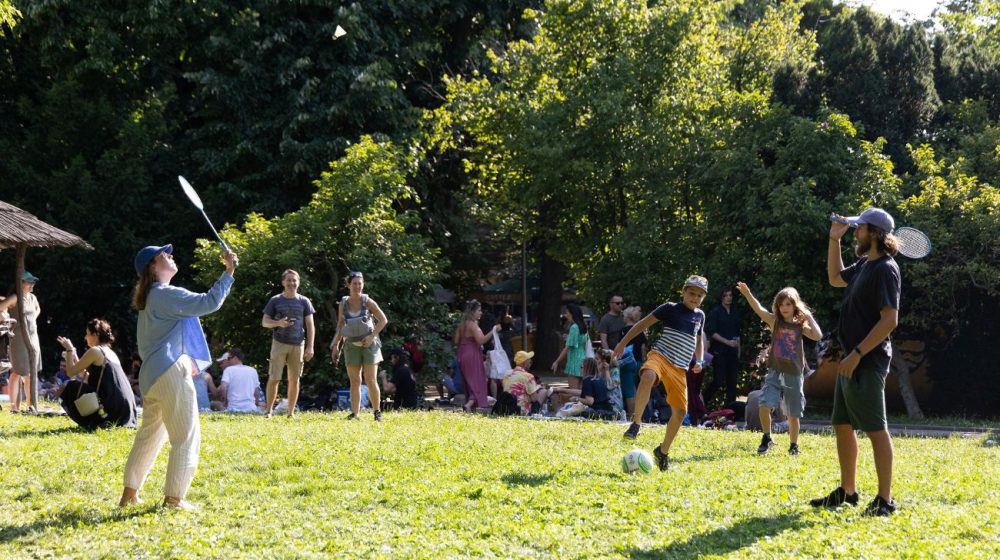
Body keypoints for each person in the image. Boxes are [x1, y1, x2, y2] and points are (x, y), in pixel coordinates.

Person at [120, 243, 237, 510]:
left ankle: (129, 495)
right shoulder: (164, 294)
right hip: (170, 372)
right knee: (186, 435)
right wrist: (228, 272)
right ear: (153, 266)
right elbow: (209, 302)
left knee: (149, 436)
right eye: (165, 255)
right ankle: (174, 499)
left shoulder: (151, 297)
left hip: (152, 376)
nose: (172, 256)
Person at [811, 208, 901, 517]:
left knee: (876, 430)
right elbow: (836, 278)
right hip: (850, 358)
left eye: (859, 228)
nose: (856, 232)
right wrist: (834, 240)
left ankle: (885, 500)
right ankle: (848, 492)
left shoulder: (886, 269)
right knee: (842, 424)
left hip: (867, 360)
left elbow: (889, 320)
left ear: (874, 233)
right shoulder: (865, 264)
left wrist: (858, 354)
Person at [615, 275, 708, 472]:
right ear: (683, 292)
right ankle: (636, 423)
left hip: (680, 368)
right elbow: (641, 325)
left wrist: (699, 360)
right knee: (647, 376)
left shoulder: (700, 316)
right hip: (661, 356)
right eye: (691, 293)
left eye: (699, 296)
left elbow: (699, 341)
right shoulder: (670, 308)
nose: (695, 298)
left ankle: (662, 451)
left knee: (681, 413)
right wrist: (622, 344)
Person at [736, 282, 822, 455]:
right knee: (764, 405)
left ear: (795, 306)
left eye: (788, 304)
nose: (784, 308)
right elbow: (758, 309)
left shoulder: (800, 326)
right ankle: (767, 437)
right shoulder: (775, 321)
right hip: (775, 371)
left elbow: (818, 335)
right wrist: (747, 293)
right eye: (781, 304)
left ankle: (793, 445)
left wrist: (807, 315)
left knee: (793, 414)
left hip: (794, 375)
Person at [57, 319, 138, 430]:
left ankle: (89, 421)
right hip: (124, 409)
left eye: (87, 334)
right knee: (75, 386)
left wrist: (70, 350)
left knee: (68, 386)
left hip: (111, 408)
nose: (85, 337)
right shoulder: (109, 352)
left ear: (95, 335)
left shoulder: (95, 351)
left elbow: (70, 372)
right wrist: (74, 356)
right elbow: (86, 377)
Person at [331, 271, 388, 421]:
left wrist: (371, 336)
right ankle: (355, 413)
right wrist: (336, 345)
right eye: (354, 283)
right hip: (351, 344)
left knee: (370, 379)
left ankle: (377, 412)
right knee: (355, 380)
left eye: (360, 284)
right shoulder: (343, 303)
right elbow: (340, 325)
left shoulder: (367, 301)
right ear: (348, 285)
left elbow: (383, 320)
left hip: (369, 344)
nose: (357, 286)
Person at [261, 269, 315, 418]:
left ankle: (290, 413)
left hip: (298, 344)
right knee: (274, 378)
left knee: (294, 379)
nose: (292, 283)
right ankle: (268, 411)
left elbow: (310, 325)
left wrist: (310, 346)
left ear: (298, 282)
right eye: (289, 280)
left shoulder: (304, 301)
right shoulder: (275, 300)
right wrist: (278, 323)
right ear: (283, 282)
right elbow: (265, 322)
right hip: (279, 343)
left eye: (294, 280)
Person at [0, 271, 42, 413]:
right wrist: (5, 318)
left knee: (31, 372)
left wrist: (32, 319)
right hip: (17, 338)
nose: (32, 284)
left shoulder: (32, 297)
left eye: (33, 282)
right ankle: (14, 407)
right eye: (29, 282)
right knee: (17, 371)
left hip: (33, 337)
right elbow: (0, 307)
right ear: (21, 283)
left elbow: (38, 309)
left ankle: (30, 405)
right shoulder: (15, 297)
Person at [451, 300, 498, 412]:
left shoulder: (462, 325)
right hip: (472, 354)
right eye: (479, 310)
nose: (480, 313)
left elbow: (456, 341)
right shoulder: (473, 325)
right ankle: (468, 405)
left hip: (462, 353)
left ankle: (471, 406)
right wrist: (493, 331)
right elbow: (481, 340)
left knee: (469, 381)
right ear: (472, 312)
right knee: (477, 380)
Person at [702, 286, 741, 408]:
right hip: (719, 352)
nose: (728, 298)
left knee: (732, 381)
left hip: (733, 352)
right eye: (726, 295)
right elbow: (712, 333)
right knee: (719, 380)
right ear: (721, 297)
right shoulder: (716, 312)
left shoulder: (735, 312)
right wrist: (727, 342)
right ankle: (702, 402)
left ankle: (731, 411)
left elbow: (738, 333)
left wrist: (739, 350)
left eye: (730, 295)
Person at [551, 357, 616, 420]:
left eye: (581, 367)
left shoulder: (587, 380)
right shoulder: (599, 379)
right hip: (608, 410)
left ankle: (556, 415)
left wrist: (576, 399)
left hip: (596, 411)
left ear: (586, 368)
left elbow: (590, 401)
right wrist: (562, 390)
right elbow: (584, 392)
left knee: (569, 406)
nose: (580, 369)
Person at [550, 304, 588, 390]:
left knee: (573, 391)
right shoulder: (583, 326)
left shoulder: (574, 327)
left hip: (574, 361)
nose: (566, 315)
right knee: (581, 392)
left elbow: (567, 348)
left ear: (572, 314)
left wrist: (557, 361)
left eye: (567, 312)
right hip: (583, 360)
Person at [617, 305, 646, 419]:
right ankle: (641, 414)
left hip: (627, 363)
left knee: (629, 391)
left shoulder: (624, 331)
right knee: (637, 390)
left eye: (623, 315)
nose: (622, 318)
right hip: (638, 362)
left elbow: (620, 347)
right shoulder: (640, 330)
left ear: (627, 317)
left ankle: (632, 417)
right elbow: (643, 348)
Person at [501, 350, 549, 415]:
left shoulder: (506, 374)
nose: (530, 363)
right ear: (524, 363)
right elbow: (534, 399)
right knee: (543, 391)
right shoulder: (528, 376)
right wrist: (537, 388)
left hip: (507, 408)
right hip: (522, 410)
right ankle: (537, 412)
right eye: (529, 362)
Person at [216, 348, 262, 412]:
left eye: (229, 358)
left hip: (233, 408)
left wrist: (225, 401)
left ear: (235, 357)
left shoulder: (228, 370)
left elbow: (223, 387)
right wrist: (256, 404)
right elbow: (257, 391)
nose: (228, 361)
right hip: (251, 408)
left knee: (214, 404)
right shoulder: (253, 370)